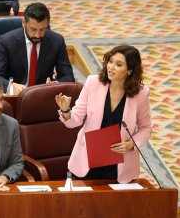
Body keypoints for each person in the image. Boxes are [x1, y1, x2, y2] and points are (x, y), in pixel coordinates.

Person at [55, 45, 153, 183]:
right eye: (110, 61)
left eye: (118, 64)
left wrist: (131, 144)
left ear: (130, 70)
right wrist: (66, 110)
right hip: (89, 157)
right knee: (84, 202)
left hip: (119, 161)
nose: (111, 67)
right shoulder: (93, 83)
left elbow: (146, 128)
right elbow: (75, 120)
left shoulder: (140, 93)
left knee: (113, 202)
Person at [0, 2, 74, 95]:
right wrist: (11, 85)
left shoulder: (57, 41)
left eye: (42, 29)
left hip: (43, 95)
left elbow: (68, 76)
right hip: (16, 96)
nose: (38, 35)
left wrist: (54, 85)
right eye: (33, 29)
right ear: (23, 23)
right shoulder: (7, 41)